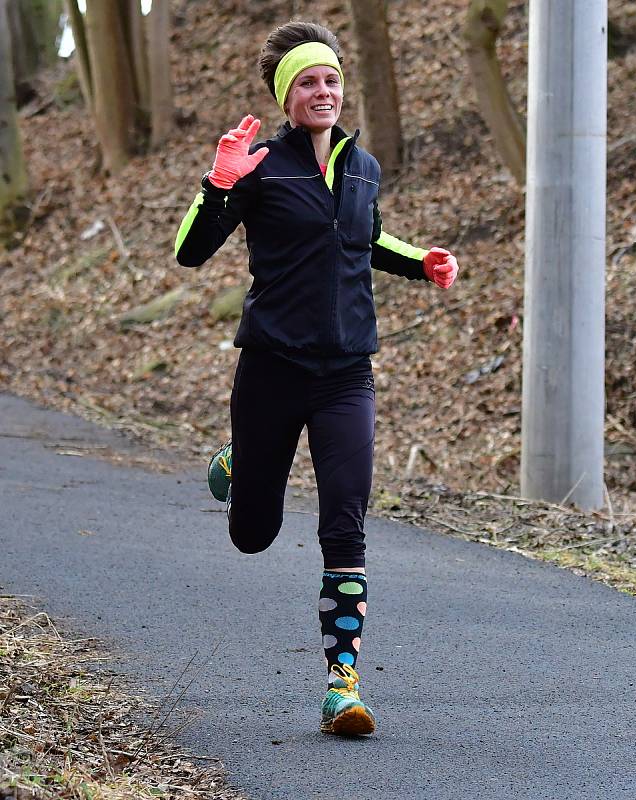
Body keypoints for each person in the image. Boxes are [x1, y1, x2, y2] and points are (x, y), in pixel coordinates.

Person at [175, 20, 458, 737]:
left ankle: (342, 687)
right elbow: (189, 252)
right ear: (286, 94)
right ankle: (241, 459)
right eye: (307, 82)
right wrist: (218, 185)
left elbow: (366, 239)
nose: (322, 91)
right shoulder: (259, 166)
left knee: (346, 523)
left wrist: (420, 260)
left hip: (345, 376)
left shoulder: (364, 169)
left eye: (330, 79)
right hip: (270, 370)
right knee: (252, 534)